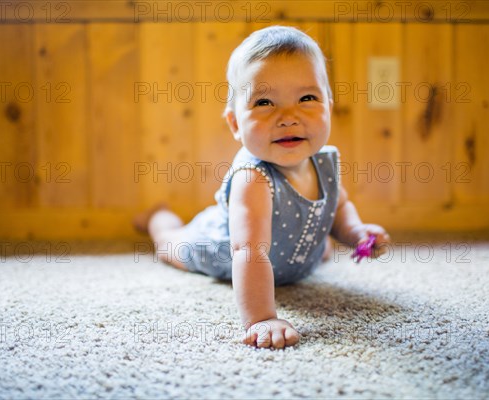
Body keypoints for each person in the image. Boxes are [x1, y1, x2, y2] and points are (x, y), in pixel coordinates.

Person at [135, 26, 390, 349]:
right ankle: (158, 217)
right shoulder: (253, 179)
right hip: (222, 248)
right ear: (235, 124)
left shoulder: (324, 163)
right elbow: (248, 251)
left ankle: (307, 252)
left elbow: (337, 208)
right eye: (265, 102)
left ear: (328, 104)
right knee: (171, 245)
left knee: (322, 243)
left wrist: (356, 233)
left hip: (293, 259)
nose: (288, 117)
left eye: (307, 98)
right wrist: (262, 317)